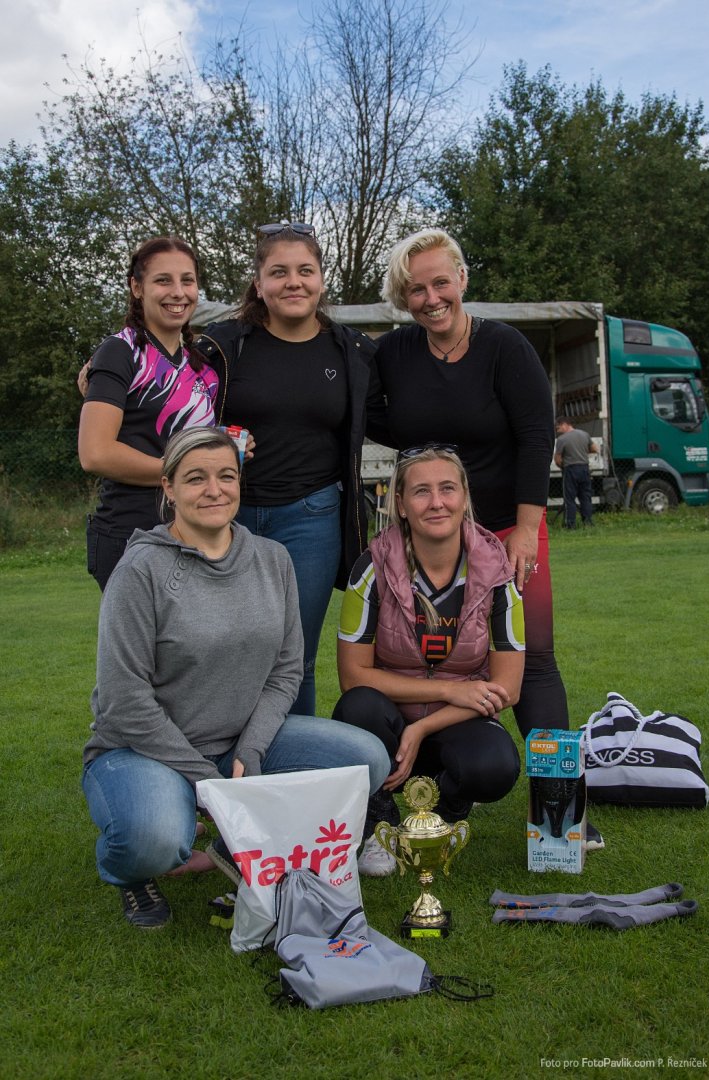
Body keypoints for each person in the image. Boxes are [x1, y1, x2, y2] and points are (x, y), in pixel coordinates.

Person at [82, 427, 390, 928]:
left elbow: (286, 670)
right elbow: (124, 700)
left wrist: (251, 749)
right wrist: (206, 780)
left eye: (226, 476)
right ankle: (130, 869)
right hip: (140, 750)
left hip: (236, 744)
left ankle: (237, 846)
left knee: (366, 760)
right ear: (168, 487)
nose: (214, 490)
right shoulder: (140, 570)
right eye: (195, 479)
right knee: (153, 839)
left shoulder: (272, 559)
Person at [367, 227, 567, 741]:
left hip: (506, 526)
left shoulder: (505, 347)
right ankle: (443, 765)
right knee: (428, 660)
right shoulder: (392, 353)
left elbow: (536, 436)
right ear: (403, 297)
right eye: (416, 289)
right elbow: (362, 411)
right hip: (429, 538)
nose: (431, 299)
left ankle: (557, 784)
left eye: (440, 283)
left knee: (532, 652)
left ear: (462, 278)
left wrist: (527, 530)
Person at [194, 222, 375, 716]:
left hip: (311, 518)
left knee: (294, 657)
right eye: (278, 272)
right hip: (224, 518)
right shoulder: (222, 345)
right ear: (259, 284)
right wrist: (105, 374)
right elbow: (161, 384)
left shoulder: (352, 350)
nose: (293, 282)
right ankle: (221, 755)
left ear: (320, 279)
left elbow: (409, 395)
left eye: (304, 271)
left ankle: (292, 760)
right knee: (219, 652)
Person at [332, 445, 525, 876]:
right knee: (357, 707)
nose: (437, 502)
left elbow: (508, 687)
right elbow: (352, 675)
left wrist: (423, 726)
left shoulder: (498, 573)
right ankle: (380, 822)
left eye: (447, 489)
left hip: (457, 722)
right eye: (421, 491)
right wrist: (447, 689)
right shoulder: (370, 568)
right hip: (388, 720)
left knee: (495, 765)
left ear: (464, 497)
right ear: (400, 504)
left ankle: (445, 813)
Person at [78, 236, 219, 591]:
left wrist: (227, 448)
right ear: (137, 287)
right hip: (132, 535)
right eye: (163, 280)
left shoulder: (203, 368)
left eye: (187, 280)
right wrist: (186, 476)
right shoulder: (120, 352)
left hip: (196, 532)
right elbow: (95, 453)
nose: (178, 292)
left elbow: (192, 445)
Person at [554, 416, 598, 528]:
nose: (557, 431)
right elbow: (594, 449)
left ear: (564, 424)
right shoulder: (584, 434)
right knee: (585, 497)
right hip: (584, 468)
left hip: (570, 470)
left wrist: (563, 466)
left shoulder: (562, 439)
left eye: (558, 428)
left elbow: (557, 459)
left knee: (569, 498)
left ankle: (570, 524)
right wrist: (583, 452)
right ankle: (588, 522)